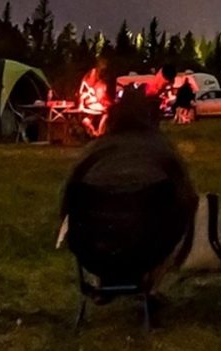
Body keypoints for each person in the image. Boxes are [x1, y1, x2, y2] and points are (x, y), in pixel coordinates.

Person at [60, 88, 200, 296]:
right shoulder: (161, 149)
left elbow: (66, 202)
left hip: (94, 248)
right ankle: (153, 287)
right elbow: (188, 199)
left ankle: (104, 282)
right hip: (150, 247)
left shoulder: (95, 151)